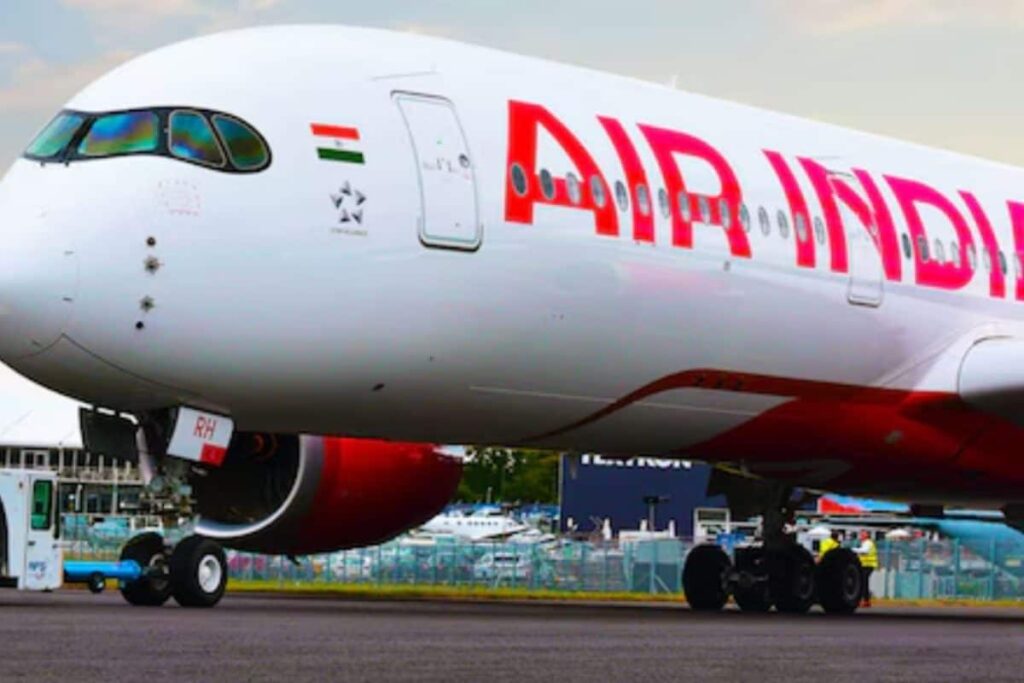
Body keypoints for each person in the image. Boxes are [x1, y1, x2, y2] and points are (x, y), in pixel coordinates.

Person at [855, 530, 878, 607]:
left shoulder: (868, 543)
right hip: (865, 565)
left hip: (868, 565)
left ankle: (865, 600)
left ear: (867, 535)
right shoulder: (864, 543)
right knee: (863, 582)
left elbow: (864, 551)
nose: (860, 536)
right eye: (861, 534)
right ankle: (865, 600)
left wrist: (853, 549)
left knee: (863, 582)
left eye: (862, 534)